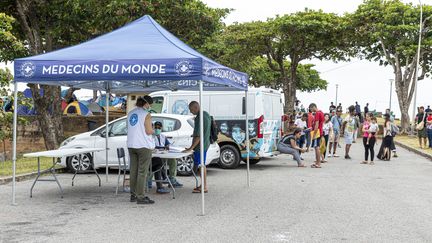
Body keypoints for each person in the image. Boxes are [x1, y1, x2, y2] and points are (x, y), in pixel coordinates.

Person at [127, 96, 155, 204]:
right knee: (142, 172)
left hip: (131, 144)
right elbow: (148, 131)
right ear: (146, 104)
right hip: (143, 145)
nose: (150, 107)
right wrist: (154, 131)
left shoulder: (130, 113)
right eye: (150, 105)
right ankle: (141, 196)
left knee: (133, 170)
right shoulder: (146, 114)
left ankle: (133, 195)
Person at [184, 101, 211, 193]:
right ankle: (203, 185)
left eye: (191, 110)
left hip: (200, 146)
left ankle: (204, 186)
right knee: (201, 165)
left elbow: (199, 136)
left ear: (196, 107)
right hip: (205, 144)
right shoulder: (206, 114)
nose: (191, 112)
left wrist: (191, 148)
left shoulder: (200, 117)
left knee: (201, 165)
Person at [150, 121, 183, 189]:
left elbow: (167, 145)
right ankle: (153, 180)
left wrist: (167, 146)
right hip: (155, 157)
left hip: (163, 155)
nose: (157, 129)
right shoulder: (151, 136)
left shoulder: (163, 136)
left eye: (159, 128)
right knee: (158, 163)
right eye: (155, 128)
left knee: (173, 160)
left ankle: (172, 179)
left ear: (161, 128)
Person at [309, 103, 325, 168]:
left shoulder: (317, 113)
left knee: (317, 147)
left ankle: (318, 163)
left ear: (313, 107)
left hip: (317, 132)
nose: (311, 111)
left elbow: (316, 125)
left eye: (311, 109)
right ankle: (317, 161)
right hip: (320, 131)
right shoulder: (321, 112)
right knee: (317, 147)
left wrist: (314, 134)